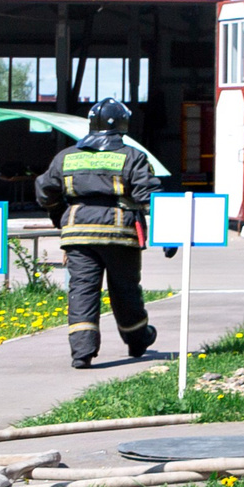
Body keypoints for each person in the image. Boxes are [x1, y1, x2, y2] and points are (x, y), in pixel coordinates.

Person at [36, 99, 157, 369]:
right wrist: (167, 233)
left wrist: (59, 214)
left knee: (82, 291)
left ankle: (82, 352)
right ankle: (137, 339)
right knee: (125, 291)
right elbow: (149, 196)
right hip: (119, 234)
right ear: (124, 125)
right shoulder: (133, 156)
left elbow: (45, 190)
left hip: (78, 235)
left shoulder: (66, 157)